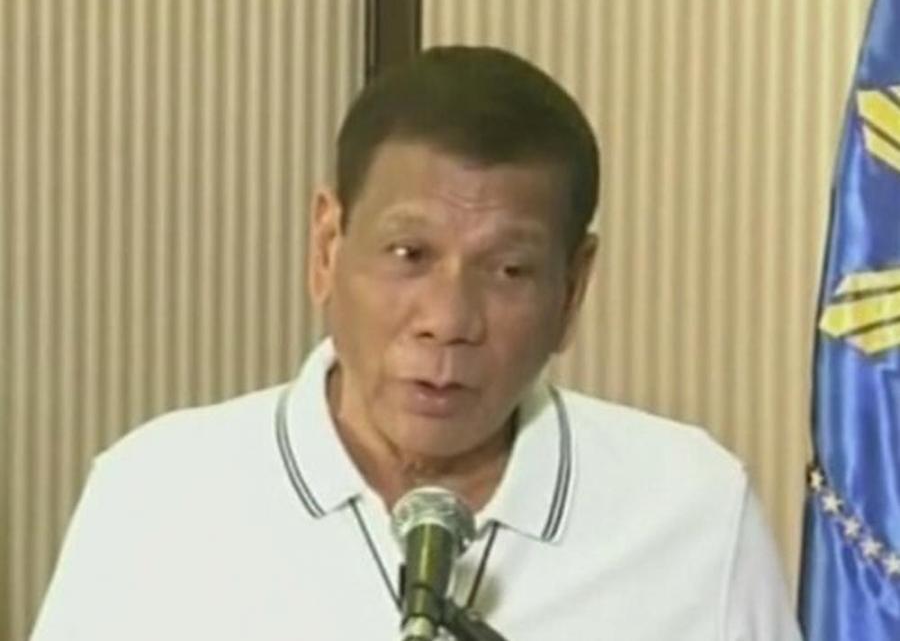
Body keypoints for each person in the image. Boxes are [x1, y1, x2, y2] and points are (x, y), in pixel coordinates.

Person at [30, 46, 802, 640]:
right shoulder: (157, 494)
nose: (448, 319)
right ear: (327, 246)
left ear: (572, 288)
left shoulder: (694, 513)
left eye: (509, 270)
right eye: (409, 254)